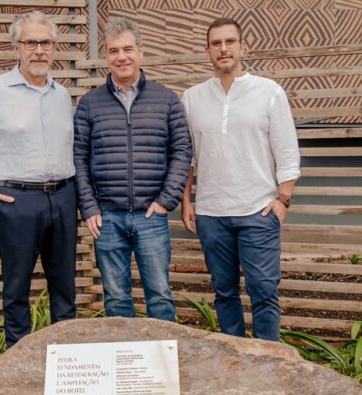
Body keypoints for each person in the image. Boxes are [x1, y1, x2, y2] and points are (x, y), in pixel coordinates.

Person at [0, 12, 76, 348]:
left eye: (46, 43)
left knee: (64, 286)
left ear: (54, 48)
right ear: (16, 47)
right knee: (17, 287)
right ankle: (16, 360)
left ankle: (66, 362)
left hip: (64, 197)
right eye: (31, 42)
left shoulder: (61, 95)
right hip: (17, 201)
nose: (39, 50)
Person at [181, 17, 301, 341]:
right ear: (207, 50)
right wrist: (186, 200)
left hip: (258, 211)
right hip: (211, 214)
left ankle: (269, 362)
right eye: (216, 43)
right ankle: (235, 360)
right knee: (224, 292)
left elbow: (287, 153)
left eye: (230, 42)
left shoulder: (268, 92)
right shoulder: (192, 98)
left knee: (263, 292)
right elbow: (187, 156)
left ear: (242, 46)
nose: (223, 49)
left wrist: (283, 201)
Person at [73, 18, 192, 321]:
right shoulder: (89, 104)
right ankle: (123, 364)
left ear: (141, 51)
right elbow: (79, 157)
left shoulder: (166, 100)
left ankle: (162, 365)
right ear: (106, 57)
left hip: (151, 215)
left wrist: (167, 200)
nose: (121, 57)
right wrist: (88, 206)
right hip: (107, 217)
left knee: (160, 294)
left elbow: (181, 151)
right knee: (115, 298)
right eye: (113, 51)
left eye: (128, 49)